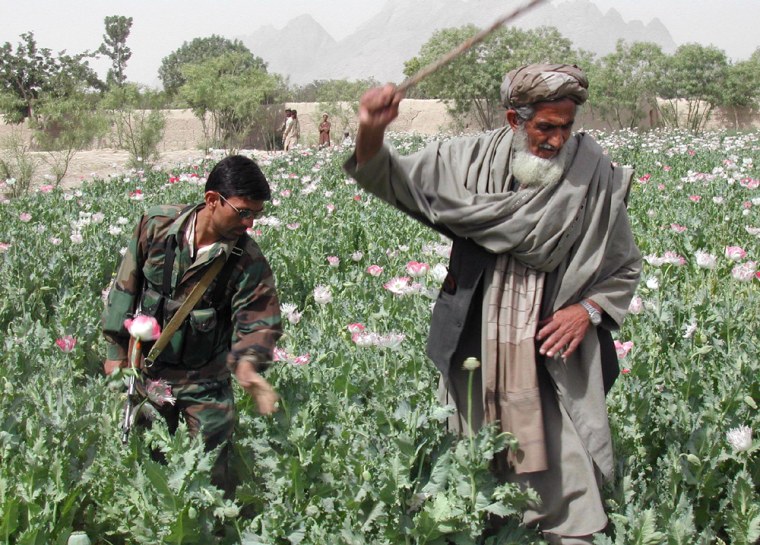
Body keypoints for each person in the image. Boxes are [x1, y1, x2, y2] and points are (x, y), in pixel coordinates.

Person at [344, 64, 641, 544]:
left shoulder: (594, 177)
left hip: (550, 357)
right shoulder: (470, 159)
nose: (556, 140)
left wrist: (584, 312)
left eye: (566, 127)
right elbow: (390, 177)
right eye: (545, 126)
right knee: (474, 470)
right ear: (513, 119)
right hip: (475, 350)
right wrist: (371, 130)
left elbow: (624, 266)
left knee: (567, 482)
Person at [102, 154, 283, 496]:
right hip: (148, 374)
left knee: (210, 479)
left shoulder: (247, 260)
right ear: (213, 199)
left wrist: (248, 368)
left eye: (256, 215)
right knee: (150, 471)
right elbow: (126, 287)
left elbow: (259, 319)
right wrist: (116, 351)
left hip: (206, 384)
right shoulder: (155, 226)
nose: (249, 224)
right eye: (243, 212)